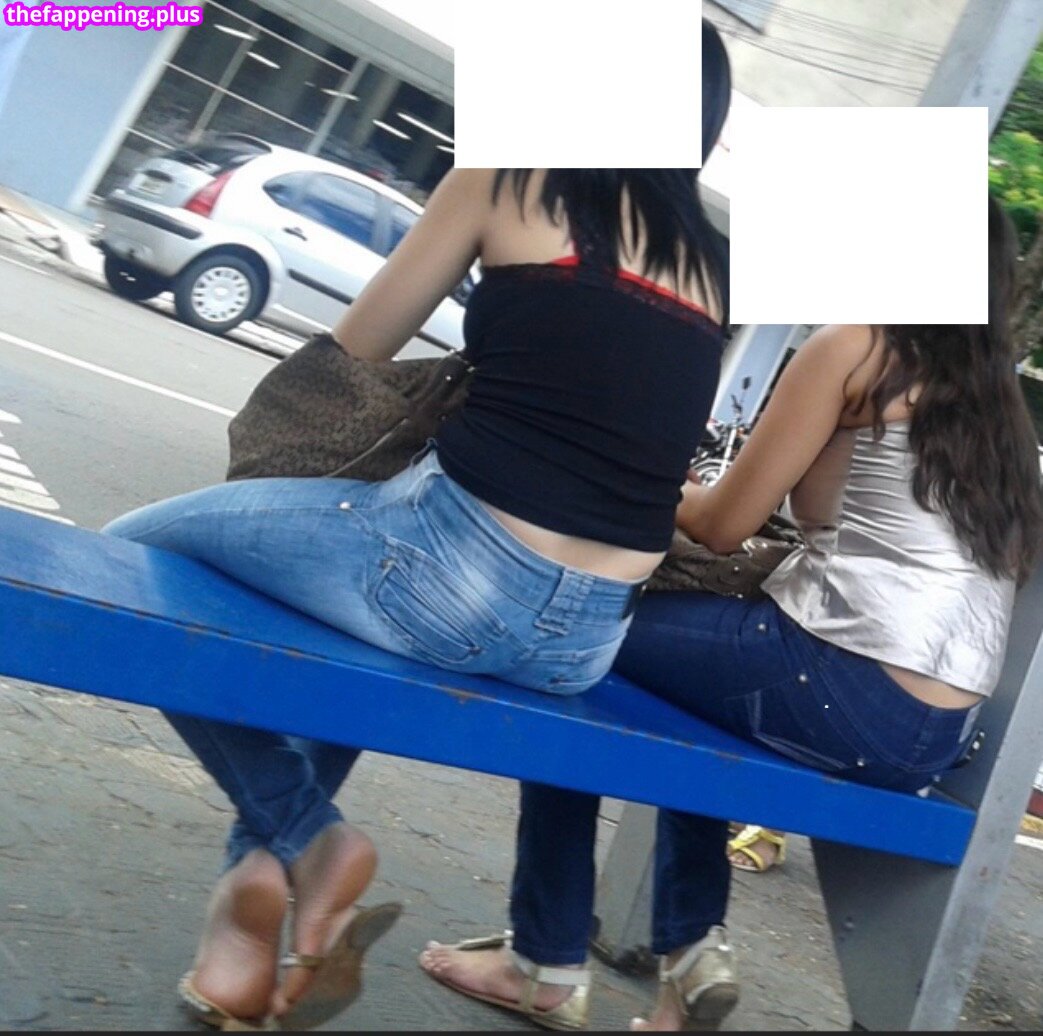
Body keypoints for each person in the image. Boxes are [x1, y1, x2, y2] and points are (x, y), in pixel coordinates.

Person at [100, 23, 733, 1029]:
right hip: (581, 642)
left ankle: (306, 835)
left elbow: (356, 353)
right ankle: (242, 931)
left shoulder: (508, 179)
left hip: (447, 576)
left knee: (132, 548)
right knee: (346, 620)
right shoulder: (712, 265)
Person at [418, 196, 1043, 1032]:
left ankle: (545, 956)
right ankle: (686, 958)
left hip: (835, 678)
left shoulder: (854, 346)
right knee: (706, 698)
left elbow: (721, 525)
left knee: (574, 643)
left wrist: (651, 476)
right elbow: (846, 526)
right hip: (929, 733)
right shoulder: (998, 412)